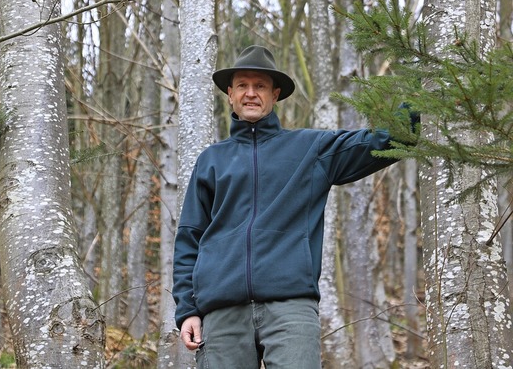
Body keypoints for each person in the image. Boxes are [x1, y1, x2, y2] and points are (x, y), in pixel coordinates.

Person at [172, 45, 418, 368]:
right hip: (222, 313)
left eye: (260, 86)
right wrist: (188, 310)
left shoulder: (309, 149)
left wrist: (419, 103)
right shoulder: (211, 161)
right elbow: (189, 237)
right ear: (229, 94)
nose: (250, 94)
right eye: (243, 86)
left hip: (290, 308)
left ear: (275, 95)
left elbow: (378, 142)